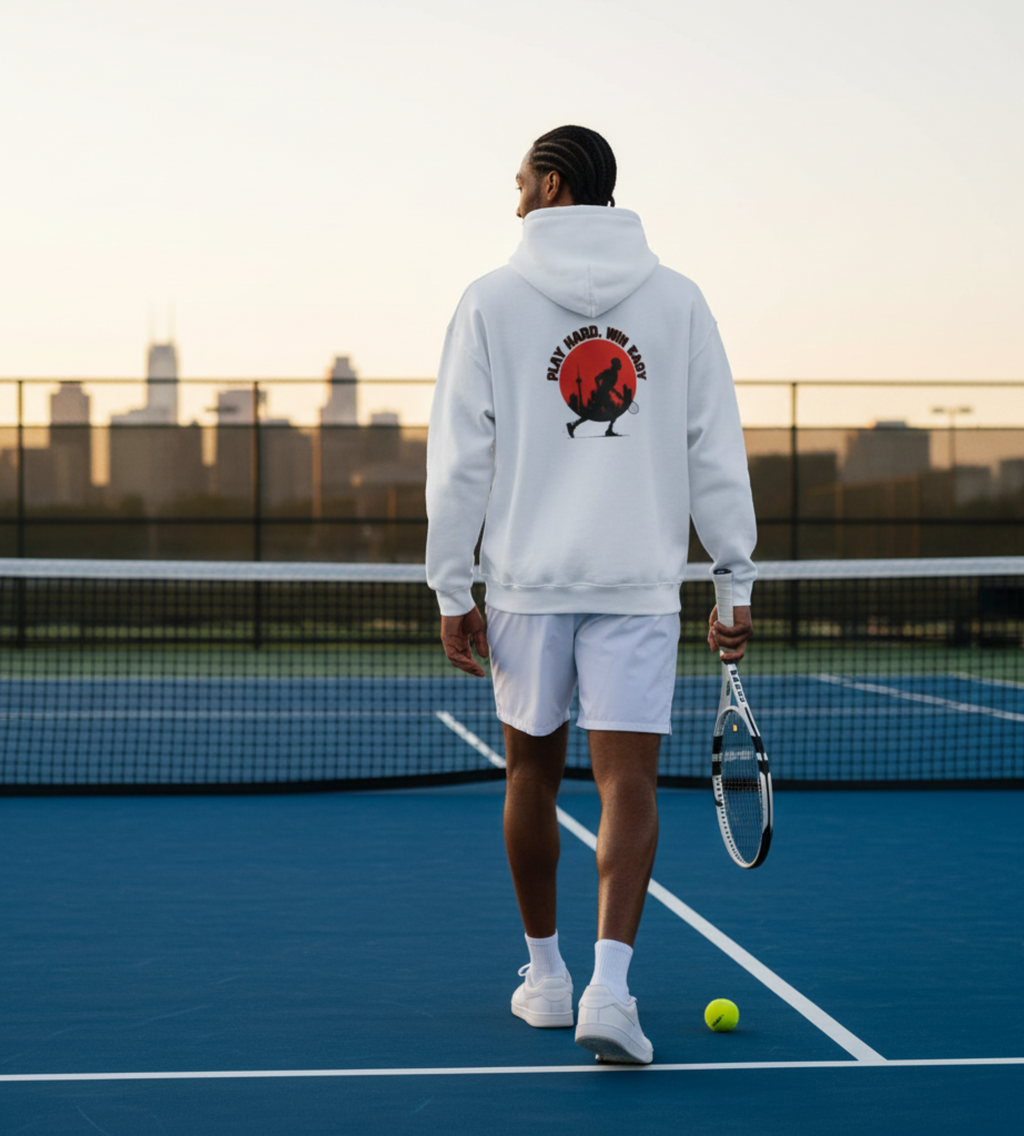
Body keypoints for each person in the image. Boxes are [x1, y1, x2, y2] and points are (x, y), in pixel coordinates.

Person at [425, 125, 756, 1064]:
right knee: (630, 783)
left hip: (528, 584)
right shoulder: (680, 299)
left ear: (555, 184)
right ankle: (609, 993)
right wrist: (732, 578)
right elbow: (714, 447)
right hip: (640, 582)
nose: (514, 199)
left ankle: (549, 977)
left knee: (529, 775)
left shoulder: (488, 300)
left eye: (520, 181)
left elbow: (459, 458)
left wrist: (453, 583)